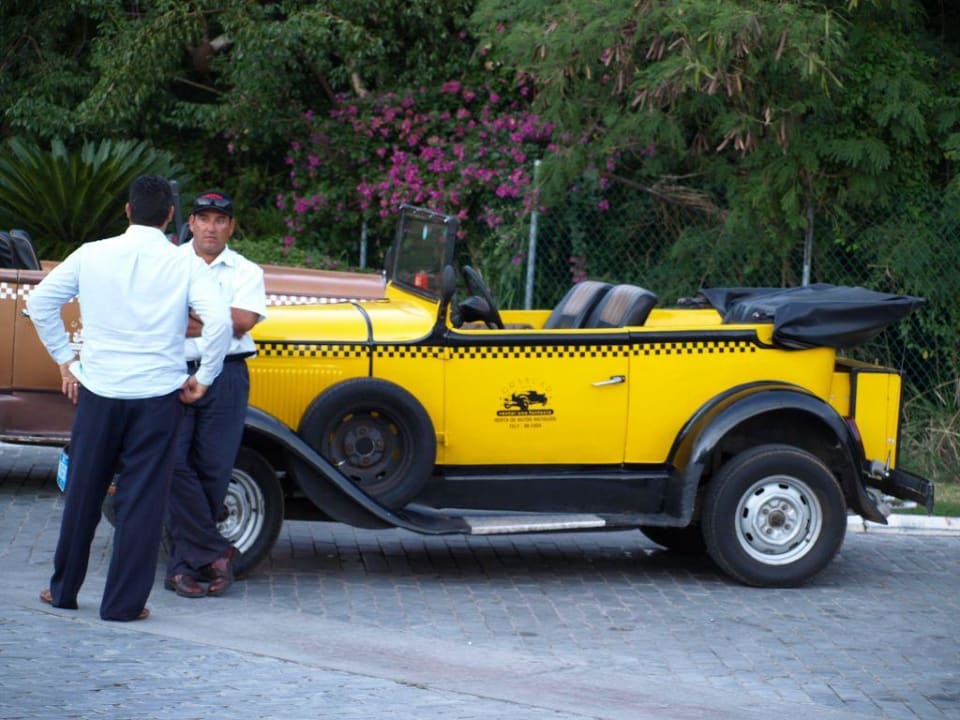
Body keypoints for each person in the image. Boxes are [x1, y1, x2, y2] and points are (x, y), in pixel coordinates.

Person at [28, 175, 231, 621]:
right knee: (142, 501)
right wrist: (206, 377)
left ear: (127, 210)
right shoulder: (186, 264)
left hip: (99, 390)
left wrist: (65, 358)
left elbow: (41, 301)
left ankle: (63, 591)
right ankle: (122, 605)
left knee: (83, 493)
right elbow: (218, 323)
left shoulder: (92, 254)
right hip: (157, 396)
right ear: (171, 216)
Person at [163, 190, 266, 599]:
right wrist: (218, 319)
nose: (211, 227)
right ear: (190, 223)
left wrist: (192, 319)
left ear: (231, 227)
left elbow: (242, 321)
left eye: (220, 220)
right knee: (170, 463)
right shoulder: (169, 265)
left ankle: (183, 569)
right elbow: (161, 317)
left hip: (227, 374)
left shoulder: (246, 270)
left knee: (214, 471)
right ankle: (215, 551)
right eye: (203, 218)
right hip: (173, 372)